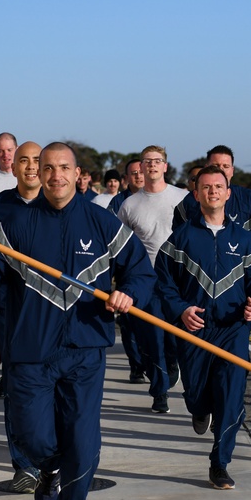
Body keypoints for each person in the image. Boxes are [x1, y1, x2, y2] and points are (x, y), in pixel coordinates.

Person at [0, 142, 155, 500]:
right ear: (37, 171)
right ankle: (50, 468)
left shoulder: (102, 222)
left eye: (63, 168)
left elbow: (140, 272)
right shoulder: (12, 220)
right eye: (48, 167)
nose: (55, 176)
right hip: (29, 348)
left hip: (84, 348)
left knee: (84, 441)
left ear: (77, 174)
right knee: (31, 435)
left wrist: (129, 294)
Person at [156, 165, 251, 489]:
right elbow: (163, 286)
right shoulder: (179, 240)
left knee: (231, 393)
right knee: (196, 394)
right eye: (206, 187)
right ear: (196, 194)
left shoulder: (245, 241)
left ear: (227, 193)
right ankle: (198, 407)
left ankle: (220, 462)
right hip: (194, 330)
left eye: (218, 186)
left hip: (233, 330)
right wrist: (180, 310)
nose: (213, 192)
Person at [0, 140, 43, 493]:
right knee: (17, 394)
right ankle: (24, 466)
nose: (31, 167)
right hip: (13, 313)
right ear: (11, 166)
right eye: (24, 161)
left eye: (38, 161)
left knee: (56, 396)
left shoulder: (60, 203)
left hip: (56, 316)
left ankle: (56, 462)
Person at [118, 145, 189, 413]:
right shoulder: (129, 205)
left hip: (177, 280)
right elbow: (120, 246)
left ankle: (172, 363)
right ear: (141, 167)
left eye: (157, 161)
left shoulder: (183, 198)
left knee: (173, 338)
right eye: (147, 162)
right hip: (145, 280)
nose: (152, 165)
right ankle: (159, 392)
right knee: (150, 338)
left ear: (165, 166)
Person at [173, 145, 251, 251]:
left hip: (240, 266)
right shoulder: (189, 201)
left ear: (232, 170)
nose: (221, 170)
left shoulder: (249, 199)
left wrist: (238, 238)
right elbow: (178, 239)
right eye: (216, 165)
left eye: (226, 166)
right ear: (206, 168)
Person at [107, 158, 146, 384]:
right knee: (129, 322)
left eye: (141, 172)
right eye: (133, 173)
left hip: (153, 269)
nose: (138, 176)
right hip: (126, 269)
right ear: (126, 179)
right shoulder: (118, 204)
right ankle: (136, 366)